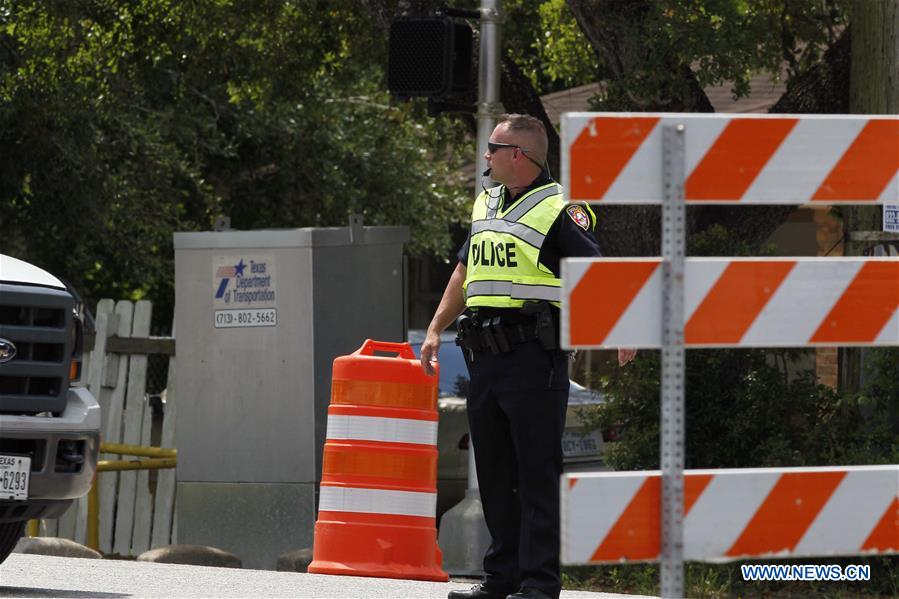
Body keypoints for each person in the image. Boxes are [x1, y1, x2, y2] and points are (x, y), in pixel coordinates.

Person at [420, 114, 636, 599]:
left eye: (492, 148)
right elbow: (463, 270)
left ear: (518, 154)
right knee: (496, 474)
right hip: (485, 360)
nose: (485, 156)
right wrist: (436, 328)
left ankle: (539, 585)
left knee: (536, 474)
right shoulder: (486, 201)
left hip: (533, 357)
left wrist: (624, 327)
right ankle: (502, 578)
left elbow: (594, 272)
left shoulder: (561, 209)